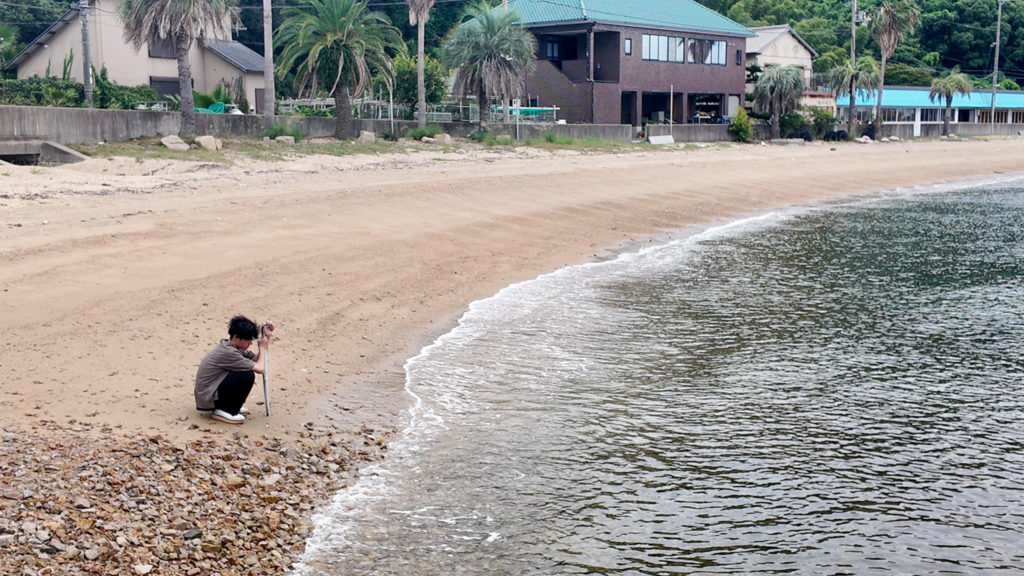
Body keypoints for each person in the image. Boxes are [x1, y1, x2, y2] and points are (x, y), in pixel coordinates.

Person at [194, 315, 274, 424]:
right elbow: (260, 368)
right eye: (248, 340)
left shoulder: (233, 347)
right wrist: (262, 347)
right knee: (247, 375)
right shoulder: (229, 352)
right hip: (208, 398)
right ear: (236, 337)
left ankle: (229, 405)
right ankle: (224, 410)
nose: (250, 343)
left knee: (245, 371)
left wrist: (266, 337)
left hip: (211, 392)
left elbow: (256, 359)